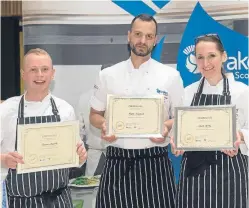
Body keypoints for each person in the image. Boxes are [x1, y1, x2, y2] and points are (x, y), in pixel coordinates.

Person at [89, 14, 184, 208]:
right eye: (138, 34)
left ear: (155, 40)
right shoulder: (108, 75)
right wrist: (104, 124)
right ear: (129, 36)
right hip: (117, 162)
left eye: (149, 36)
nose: (142, 41)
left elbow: (181, 118)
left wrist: (166, 126)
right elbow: (94, 115)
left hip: (156, 164)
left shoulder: (171, 76)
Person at [0, 48, 88, 208]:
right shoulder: (6, 109)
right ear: (23, 74)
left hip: (59, 200)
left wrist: (80, 157)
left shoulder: (65, 109)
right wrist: (3, 159)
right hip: (20, 201)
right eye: (33, 70)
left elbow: (74, 156)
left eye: (45, 69)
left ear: (52, 73)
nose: (39, 75)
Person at [171, 34, 248, 208]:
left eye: (211, 56)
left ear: (224, 56)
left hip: (231, 173)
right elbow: (178, 130)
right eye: (200, 57)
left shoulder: (243, 92)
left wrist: (240, 136)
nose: (206, 64)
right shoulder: (188, 93)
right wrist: (176, 141)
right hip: (194, 175)